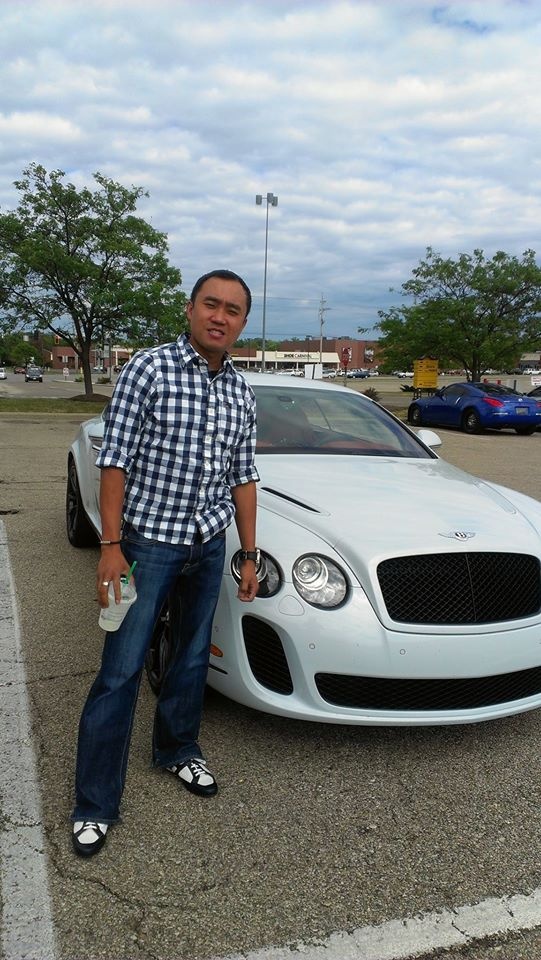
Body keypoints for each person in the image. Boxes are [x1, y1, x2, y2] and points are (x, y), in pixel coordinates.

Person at [71, 269, 260, 857]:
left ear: (243, 322)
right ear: (190, 308)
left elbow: (244, 475)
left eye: (232, 310)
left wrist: (247, 553)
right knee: (121, 670)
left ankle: (177, 750)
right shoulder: (149, 370)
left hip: (208, 544)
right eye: (211, 304)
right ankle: (95, 802)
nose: (220, 317)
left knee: (191, 656)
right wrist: (110, 547)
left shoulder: (240, 392)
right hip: (148, 545)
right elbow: (115, 461)